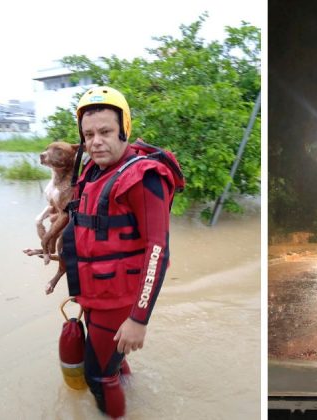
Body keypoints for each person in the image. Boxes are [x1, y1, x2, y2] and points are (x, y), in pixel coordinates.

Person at [60, 86, 184, 417]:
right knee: (111, 365)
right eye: (88, 135)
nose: (95, 142)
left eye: (105, 132)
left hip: (119, 302)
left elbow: (158, 252)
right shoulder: (93, 170)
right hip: (96, 293)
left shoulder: (145, 178)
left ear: (124, 129)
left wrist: (138, 320)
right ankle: (131, 395)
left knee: (98, 377)